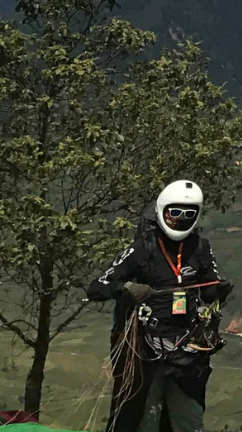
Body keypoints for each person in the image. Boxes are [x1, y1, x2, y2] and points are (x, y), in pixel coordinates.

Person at [85, 180, 230, 432]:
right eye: (175, 213)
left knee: (189, 420)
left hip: (188, 352)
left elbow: (207, 291)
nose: (181, 219)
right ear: (163, 210)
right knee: (145, 419)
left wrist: (218, 291)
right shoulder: (142, 249)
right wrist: (126, 289)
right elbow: (96, 287)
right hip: (144, 351)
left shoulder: (200, 247)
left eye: (188, 214)